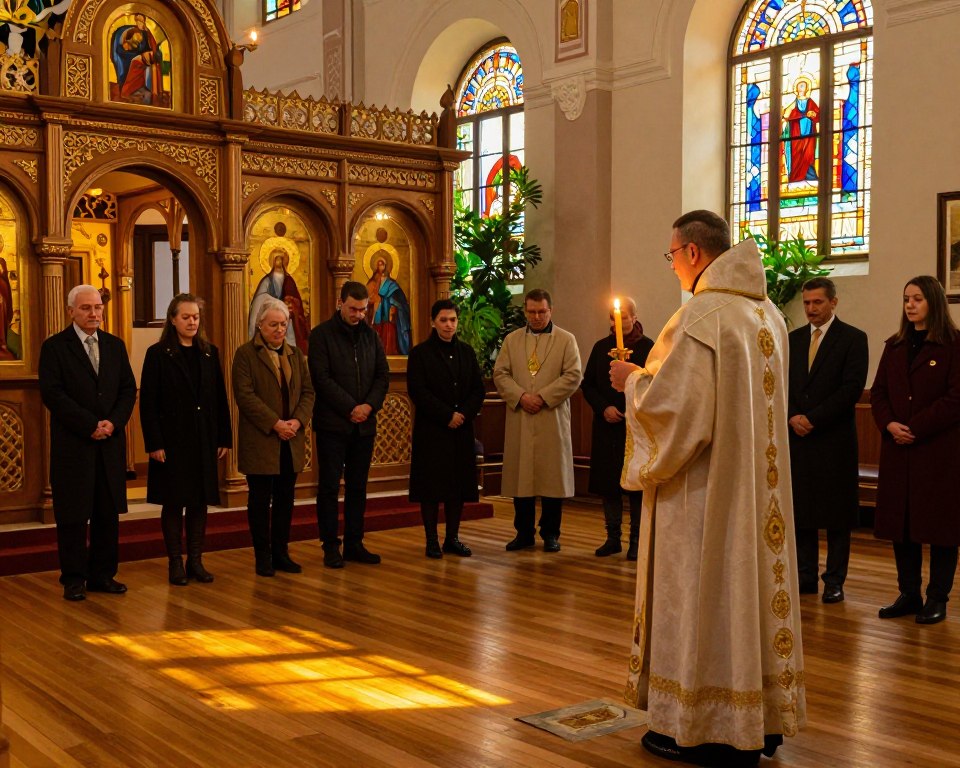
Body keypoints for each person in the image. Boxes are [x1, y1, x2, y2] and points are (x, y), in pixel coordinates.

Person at [611, 211, 805, 767]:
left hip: (704, 499)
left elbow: (678, 414)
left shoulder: (702, 316)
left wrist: (632, 385)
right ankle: (759, 720)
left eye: (671, 256)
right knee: (749, 597)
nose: (672, 266)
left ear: (693, 253)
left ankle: (702, 725)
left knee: (704, 599)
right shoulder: (766, 315)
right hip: (758, 494)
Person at [870, 275, 960, 625]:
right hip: (898, 450)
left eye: (917, 299)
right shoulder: (894, 346)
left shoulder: (953, 344)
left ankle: (937, 597)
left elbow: (955, 399)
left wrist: (916, 428)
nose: (909, 305)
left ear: (933, 303)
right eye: (906, 298)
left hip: (937, 452)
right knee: (902, 526)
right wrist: (890, 424)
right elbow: (877, 394)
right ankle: (909, 594)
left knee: (941, 528)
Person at [38, 285, 137, 601]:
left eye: (97, 307)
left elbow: (127, 389)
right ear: (71, 312)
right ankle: (74, 578)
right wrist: (89, 425)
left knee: (107, 514)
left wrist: (113, 422)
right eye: (86, 308)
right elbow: (53, 394)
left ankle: (103, 575)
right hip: (74, 445)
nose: (94, 313)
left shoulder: (114, 346)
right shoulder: (55, 347)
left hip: (109, 443)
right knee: (73, 515)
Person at [139, 294, 232, 586]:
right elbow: (148, 403)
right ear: (173, 319)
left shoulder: (209, 352)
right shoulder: (158, 354)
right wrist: (154, 443)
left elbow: (219, 398)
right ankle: (175, 562)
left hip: (203, 438)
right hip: (172, 441)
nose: (192, 322)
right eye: (186, 317)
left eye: (195, 317)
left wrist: (223, 437)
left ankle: (196, 560)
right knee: (173, 502)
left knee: (199, 502)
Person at [788, 277, 868, 603]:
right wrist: (792, 415)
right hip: (798, 438)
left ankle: (834, 580)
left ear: (833, 303)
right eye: (806, 303)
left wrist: (813, 418)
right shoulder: (792, 340)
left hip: (833, 439)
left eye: (817, 302)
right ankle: (805, 576)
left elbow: (851, 388)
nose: (811, 309)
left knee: (837, 517)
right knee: (802, 513)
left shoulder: (852, 339)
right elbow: (780, 384)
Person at [493, 288, 582, 552]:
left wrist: (542, 397)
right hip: (521, 416)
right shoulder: (512, 340)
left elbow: (573, 375)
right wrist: (521, 396)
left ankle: (551, 534)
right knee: (522, 478)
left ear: (550, 310)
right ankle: (523, 533)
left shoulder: (566, 340)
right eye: (531, 312)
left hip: (550, 417)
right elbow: (500, 374)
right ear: (525, 312)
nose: (537, 317)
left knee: (552, 478)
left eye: (541, 312)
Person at [308, 280, 389, 568]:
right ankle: (331, 545)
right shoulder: (321, 336)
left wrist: (368, 406)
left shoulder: (371, 336)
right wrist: (350, 407)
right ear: (340, 304)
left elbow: (382, 375)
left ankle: (355, 543)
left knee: (358, 486)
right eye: (353, 309)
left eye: (363, 310)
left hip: (364, 424)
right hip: (333, 424)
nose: (358, 315)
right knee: (329, 487)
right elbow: (322, 378)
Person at [234, 298, 315, 577]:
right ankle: (263, 556)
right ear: (260, 325)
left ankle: (281, 552)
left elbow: (308, 393)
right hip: (262, 439)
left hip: (290, 439)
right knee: (259, 500)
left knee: (285, 499)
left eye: (283, 324)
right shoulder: (246, 354)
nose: (279, 330)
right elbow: (245, 396)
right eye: (273, 325)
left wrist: (296, 421)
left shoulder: (295, 354)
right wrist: (275, 423)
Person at [407, 299, 485, 558]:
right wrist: (446, 415)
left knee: (457, 486)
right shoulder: (420, 354)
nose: (449, 325)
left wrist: (463, 414)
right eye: (443, 320)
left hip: (461, 429)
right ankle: (431, 539)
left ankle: (452, 537)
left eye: (452, 320)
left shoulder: (466, 352)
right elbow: (418, 391)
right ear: (433, 322)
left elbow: (477, 389)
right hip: (433, 430)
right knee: (431, 488)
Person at [581, 297, 653, 560]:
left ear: (634, 317)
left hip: (636, 427)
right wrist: (603, 408)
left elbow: (654, 383)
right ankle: (612, 537)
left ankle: (636, 540)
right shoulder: (601, 348)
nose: (619, 322)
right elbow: (587, 384)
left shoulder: (648, 348)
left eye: (624, 317)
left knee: (634, 484)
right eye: (614, 318)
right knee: (608, 483)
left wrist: (633, 407)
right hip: (606, 425)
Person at [248, 248, 308, 352]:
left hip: (287, 314)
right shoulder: (267, 280)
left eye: (281, 259)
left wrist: (291, 302)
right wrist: (275, 302)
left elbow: (296, 298)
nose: (279, 262)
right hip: (271, 311)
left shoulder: (289, 279)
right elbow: (260, 296)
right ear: (272, 261)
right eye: (276, 259)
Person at [366, 255, 411, 355]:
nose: (380, 267)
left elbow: (399, 299)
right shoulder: (372, 281)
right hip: (376, 311)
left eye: (382, 264)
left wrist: (392, 305)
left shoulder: (391, 283)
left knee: (388, 332)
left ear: (386, 266)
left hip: (387, 312)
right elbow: (367, 297)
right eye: (378, 264)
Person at [783, 75, 820, 184]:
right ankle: (796, 176)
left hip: (809, 130)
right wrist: (790, 114)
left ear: (807, 88)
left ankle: (810, 174)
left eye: (804, 85)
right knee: (797, 152)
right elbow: (786, 114)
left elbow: (818, 115)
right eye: (800, 85)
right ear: (797, 88)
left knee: (808, 153)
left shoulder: (810, 101)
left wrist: (813, 114)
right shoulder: (795, 102)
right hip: (796, 132)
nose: (801, 87)